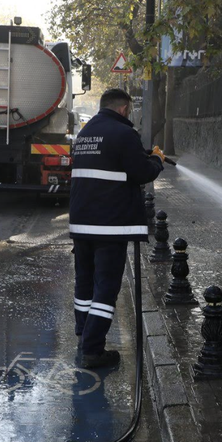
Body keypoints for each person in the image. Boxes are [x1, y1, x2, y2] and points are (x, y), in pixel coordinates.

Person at [69, 89, 166, 369]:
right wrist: (156, 159)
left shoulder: (85, 134)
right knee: (106, 287)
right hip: (109, 225)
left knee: (84, 283)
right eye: (130, 110)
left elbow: (110, 161)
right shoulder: (124, 134)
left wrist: (140, 155)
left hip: (82, 223)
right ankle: (92, 350)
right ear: (124, 109)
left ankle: (83, 334)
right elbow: (142, 173)